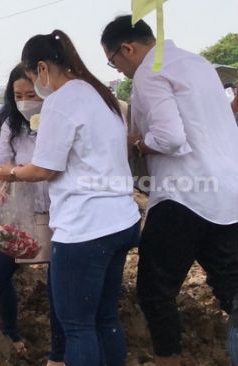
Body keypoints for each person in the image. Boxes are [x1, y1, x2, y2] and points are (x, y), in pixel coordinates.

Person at [0, 30, 141, 365]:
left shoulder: (62, 100)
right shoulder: (100, 94)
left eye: (32, 78)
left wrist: (10, 172)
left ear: (43, 68)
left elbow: (45, 169)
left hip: (85, 227)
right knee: (105, 319)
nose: (34, 88)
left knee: (77, 326)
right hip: (121, 219)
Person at [101, 15, 238, 366]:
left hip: (185, 194)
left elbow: (170, 137)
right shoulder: (198, 63)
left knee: (155, 293)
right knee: (233, 291)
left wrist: (139, 144)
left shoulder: (150, 71)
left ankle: (168, 360)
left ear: (127, 48)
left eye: (112, 60)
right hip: (229, 193)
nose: (119, 69)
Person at [0, 65, 65, 364]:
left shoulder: (59, 121)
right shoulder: (13, 124)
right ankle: (10, 332)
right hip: (24, 213)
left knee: (58, 283)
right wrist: (0, 179)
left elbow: (49, 169)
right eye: (18, 95)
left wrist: (15, 173)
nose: (24, 101)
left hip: (59, 213)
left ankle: (59, 351)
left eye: (30, 94)